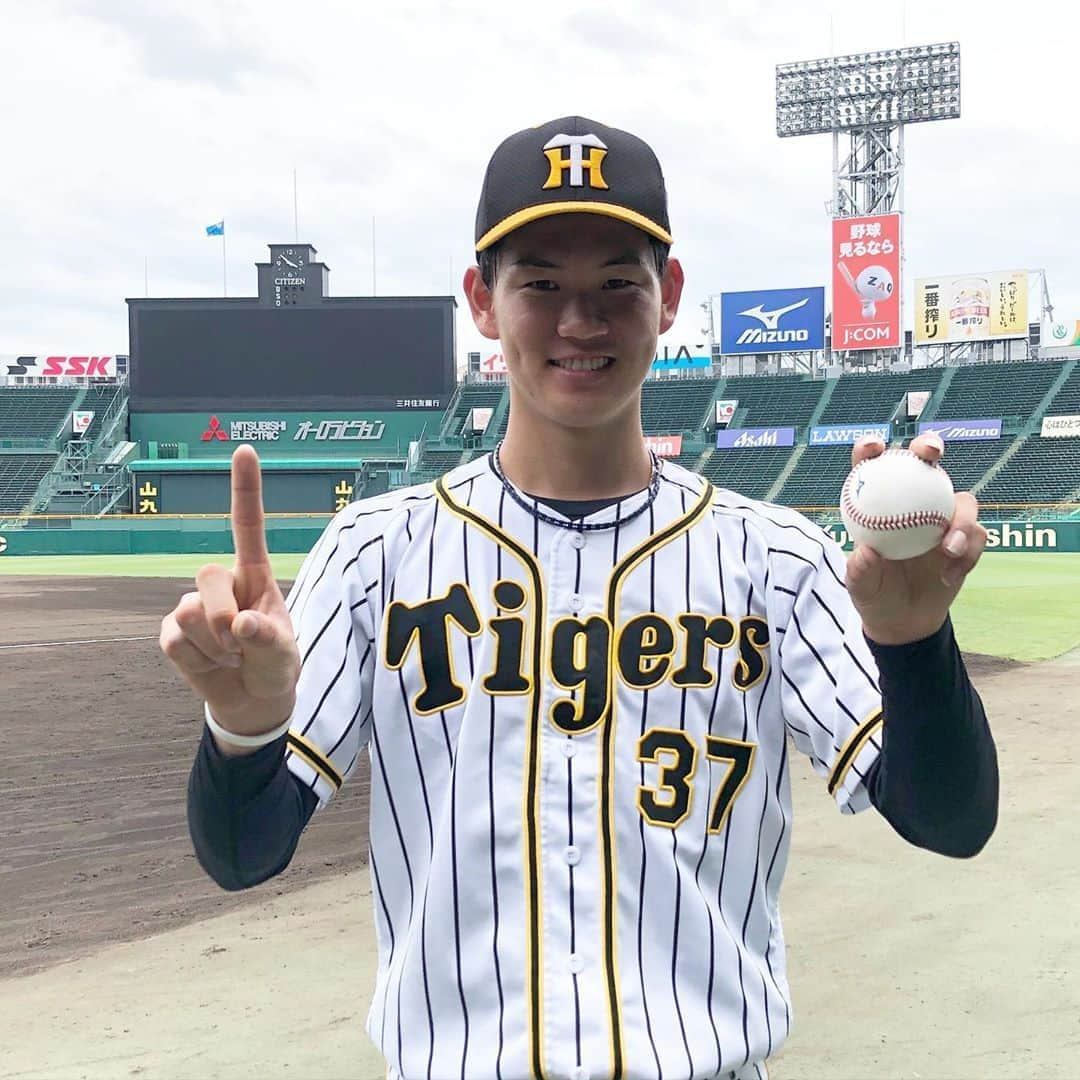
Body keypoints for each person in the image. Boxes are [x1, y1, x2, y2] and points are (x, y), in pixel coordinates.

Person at [161, 116, 998, 1080]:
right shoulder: (373, 554)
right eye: (542, 284)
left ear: (668, 296)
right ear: (482, 300)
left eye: (616, 284)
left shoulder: (777, 559)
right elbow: (243, 853)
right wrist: (247, 725)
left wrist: (914, 640)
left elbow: (951, 820)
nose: (579, 322)